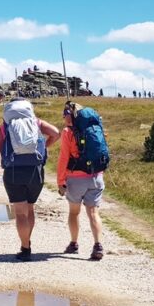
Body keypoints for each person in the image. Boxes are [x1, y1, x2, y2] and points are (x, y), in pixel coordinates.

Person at [0, 98, 59, 261]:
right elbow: (56, 133)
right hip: (35, 170)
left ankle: (25, 248)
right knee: (30, 209)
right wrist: (44, 147)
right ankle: (26, 242)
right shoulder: (37, 122)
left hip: (14, 171)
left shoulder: (5, 127)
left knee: (20, 213)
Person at [57, 102, 106, 260]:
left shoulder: (67, 132)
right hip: (96, 177)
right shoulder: (94, 128)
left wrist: (61, 181)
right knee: (93, 212)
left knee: (74, 212)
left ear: (68, 115)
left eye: (64, 115)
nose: (63, 118)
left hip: (76, 178)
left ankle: (74, 244)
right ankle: (98, 245)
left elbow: (64, 158)